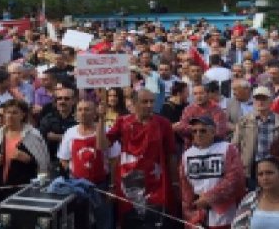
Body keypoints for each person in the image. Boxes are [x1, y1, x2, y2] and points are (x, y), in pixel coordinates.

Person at [97, 88, 177, 226]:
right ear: (134, 103)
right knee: (131, 222)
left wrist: (175, 183)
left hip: (156, 183)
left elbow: (171, 155)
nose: (149, 105)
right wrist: (101, 119)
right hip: (129, 183)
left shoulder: (163, 123)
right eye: (144, 102)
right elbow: (102, 146)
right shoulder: (123, 121)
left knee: (154, 222)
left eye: (152, 101)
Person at [0, 99, 50, 229]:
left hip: (23, 192)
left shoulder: (33, 136)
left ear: (23, 115)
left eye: (15, 113)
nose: (10, 116)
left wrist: (28, 160)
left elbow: (43, 165)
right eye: (7, 113)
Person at [58, 99, 119, 229]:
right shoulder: (70, 133)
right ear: (75, 114)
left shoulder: (106, 130)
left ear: (95, 113)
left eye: (87, 109)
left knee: (104, 222)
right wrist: (72, 179)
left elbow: (114, 160)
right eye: (80, 110)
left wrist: (112, 186)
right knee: (80, 222)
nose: (83, 113)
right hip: (78, 188)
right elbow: (64, 159)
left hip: (101, 186)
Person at [179, 116, 246, 229]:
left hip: (225, 212)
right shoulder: (187, 155)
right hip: (199, 213)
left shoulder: (227, 149)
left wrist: (209, 198)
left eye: (203, 130)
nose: (198, 134)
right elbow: (185, 188)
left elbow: (235, 178)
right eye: (194, 131)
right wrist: (190, 216)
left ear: (213, 132)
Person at [232, 86, 279, 185]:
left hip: (275, 168)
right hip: (251, 170)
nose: (260, 102)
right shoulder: (244, 121)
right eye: (257, 99)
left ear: (271, 101)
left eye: (264, 99)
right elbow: (235, 146)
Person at [38, 87, 78, 161]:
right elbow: (41, 137)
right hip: (51, 160)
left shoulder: (79, 119)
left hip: (74, 160)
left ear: (73, 101)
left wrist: (57, 137)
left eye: (66, 99)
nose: (62, 101)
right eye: (59, 98)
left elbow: (80, 138)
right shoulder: (47, 118)